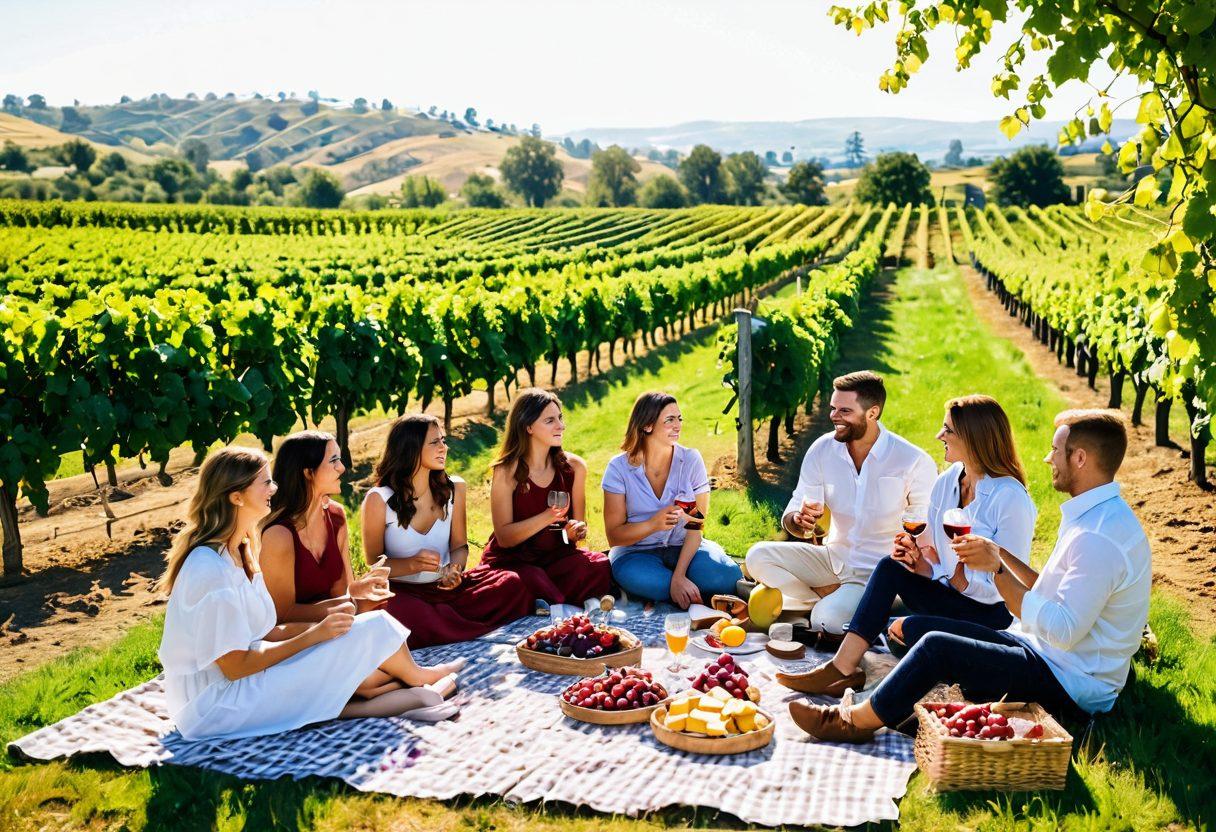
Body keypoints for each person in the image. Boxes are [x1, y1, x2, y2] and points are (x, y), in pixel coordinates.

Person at [789, 410, 1151, 743]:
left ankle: (851, 722)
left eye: (1056, 450)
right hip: (1039, 648)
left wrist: (995, 569)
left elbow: (1064, 631)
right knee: (931, 634)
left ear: (1080, 458)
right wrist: (997, 555)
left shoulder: (1097, 536)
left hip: (1071, 682)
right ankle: (858, 682)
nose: (1048, 458)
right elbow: (1052, 592)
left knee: (936, 648)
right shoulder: (1093, 518)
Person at [157, 447, 464, 742]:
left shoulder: (241, 549)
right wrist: (314, 637)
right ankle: (416, 685)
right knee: (364, 640)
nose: (273, 489)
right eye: (265, 483)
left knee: (368, 627)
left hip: (246, 679)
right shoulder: (209, 569)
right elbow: (235, 667)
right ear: (236, 497)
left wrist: (332, 631)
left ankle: (412, 694)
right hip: (216, 704)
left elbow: (266, 631)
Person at [777, 394, 1036, 696]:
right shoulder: (948, 481)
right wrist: (920, 562)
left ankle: (897, 648)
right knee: (890, 568)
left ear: (973, 438)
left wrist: (960, 580)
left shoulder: (1011, 498)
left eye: (948, 430)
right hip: (949, 597)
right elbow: (939, 558)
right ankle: (840, 669)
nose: (940, 436)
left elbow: (1011, 584)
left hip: (989, 614)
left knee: (902, 629)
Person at [745, 371, 937, 639]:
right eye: (833, 408)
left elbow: (927, 532)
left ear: (872, 413)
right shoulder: (823, 450)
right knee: (757, 556)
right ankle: (824, 599)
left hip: (876, 574)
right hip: (832, 559)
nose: (834, 416)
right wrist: (798, 521)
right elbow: (796, 507)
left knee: (827, 622)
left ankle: (836, 607)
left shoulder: (912, 461)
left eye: (845, 410)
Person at [361, 414, 533, 647]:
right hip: (405, 593)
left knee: (511, 583)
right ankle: (452, 625)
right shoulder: (379, 499)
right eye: (435, 442)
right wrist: (411, 564)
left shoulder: (455, 488)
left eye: (443, 440)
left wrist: (455, 569)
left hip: (446, 591)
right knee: (403, 614)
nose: (444, 447)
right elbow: (375, 564)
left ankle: (447, 626)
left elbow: (459, 546)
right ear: (410, 448)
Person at [603, 392, 742, 607]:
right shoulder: (618, 468)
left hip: (684, 547)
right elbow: (614, 537)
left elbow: (696, 527)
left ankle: (677, 588)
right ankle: (684, 591)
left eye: (679, 419)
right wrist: (653, 524)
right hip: (636, 553)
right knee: (653, 582)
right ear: (647, 425)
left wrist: (679, 576)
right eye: (669, 420)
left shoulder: (690, 460)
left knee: (726, 577)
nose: (678, 426)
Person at [482, 388, 612, 605]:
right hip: (515, 561)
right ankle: (546, 598)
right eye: (550, 420)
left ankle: (542, 600)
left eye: (560, 418)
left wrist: (574, 532)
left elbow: (577, 534)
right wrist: (547, 516)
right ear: (528, 426)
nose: (561, 426)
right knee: (519, 581)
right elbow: (504, 537)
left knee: (598, 565)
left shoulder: (574, 467)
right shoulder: (507, 471)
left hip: (557, 557)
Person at [261, 431, 392, 623]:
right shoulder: (278, 534)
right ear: (308, 473)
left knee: (387, 616)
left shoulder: (336, 516)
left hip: (337, 627)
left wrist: (362, 590)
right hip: (297, 640)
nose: (341, 468)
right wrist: (347, 605)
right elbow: (281, 614)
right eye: (333, 461)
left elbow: (344, 591)